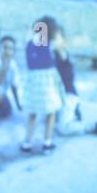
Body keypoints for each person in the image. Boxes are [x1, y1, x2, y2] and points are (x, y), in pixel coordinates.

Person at [20, 15, 67, 152]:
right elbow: (64, 56)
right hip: (47, 83)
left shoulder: (29, 42)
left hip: (33, 82)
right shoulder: (51, 44)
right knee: (50, 113)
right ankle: (47, 142)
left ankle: (27, 142)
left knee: (32, 113)